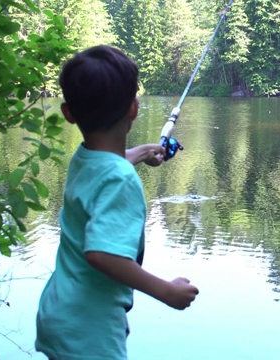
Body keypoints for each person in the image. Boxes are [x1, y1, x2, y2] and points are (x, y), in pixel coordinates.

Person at [35, 45, 199, 360]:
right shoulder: (121, 180)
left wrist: (140, 153)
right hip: (90, 330)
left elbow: (108, 163)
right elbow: (102, 254)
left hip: (60, 312)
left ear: (69, 113)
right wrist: (166, 291)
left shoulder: (83, 159)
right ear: (134, 109)